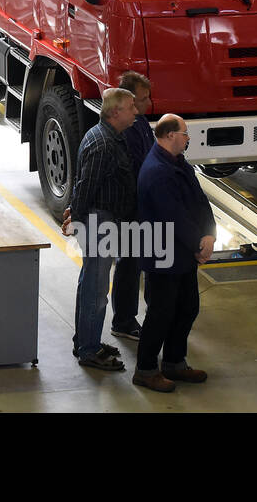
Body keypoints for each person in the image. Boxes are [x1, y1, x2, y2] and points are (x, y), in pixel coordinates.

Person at [132, 114, 216, 393]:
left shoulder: (178, 163)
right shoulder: (157, 171)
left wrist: (209, 234)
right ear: (170, 136)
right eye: (184, 132)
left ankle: (174, 362)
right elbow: (174, 216)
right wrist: (198, 243)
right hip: (163, 253)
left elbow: (199, 200)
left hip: (182, 252)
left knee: (187, 307)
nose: (188, 137)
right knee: (161, 313)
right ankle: (145, 370)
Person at [67, 87, 137, 371]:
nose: (135, 111)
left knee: (90, 284)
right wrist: (77, 219)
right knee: (96, 291)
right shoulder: (103, 144)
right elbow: (85, 187)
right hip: (99, 224)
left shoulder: (107, 137)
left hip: (101, 221)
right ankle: (89, 350)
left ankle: (85, 340)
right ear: (116, 111)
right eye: (131, 107)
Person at [110, 70, 153, 342]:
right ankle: (123, 320)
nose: (149, 103)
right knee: (129, 264)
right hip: (132, 209)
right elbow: (138, 169)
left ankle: (139, 314)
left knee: (138, 261)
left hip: (142, 207)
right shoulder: (128, 131)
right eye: (143, 99)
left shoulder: (141, 123)